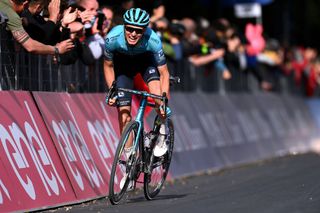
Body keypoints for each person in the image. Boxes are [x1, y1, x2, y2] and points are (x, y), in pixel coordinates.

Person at [103, 8, 171, 162]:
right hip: (124, 67)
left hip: (146, 63)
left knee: (158, 98)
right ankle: (129, 160)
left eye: (138, 31)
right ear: (124, 27)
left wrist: (164, 98)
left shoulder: (153, 40)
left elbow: (164, 74)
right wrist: (111, 91)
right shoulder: (112, 37)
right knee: (124, 115)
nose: (133, 34)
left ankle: (161, 130)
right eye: (130, 29)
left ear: (145, 30)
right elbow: (107, 66)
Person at [0, 0, 74, 56]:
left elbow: (49, 38)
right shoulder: (12, 16)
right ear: (26, 4)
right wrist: (57, 50)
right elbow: (31, 46)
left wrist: (63, 24)